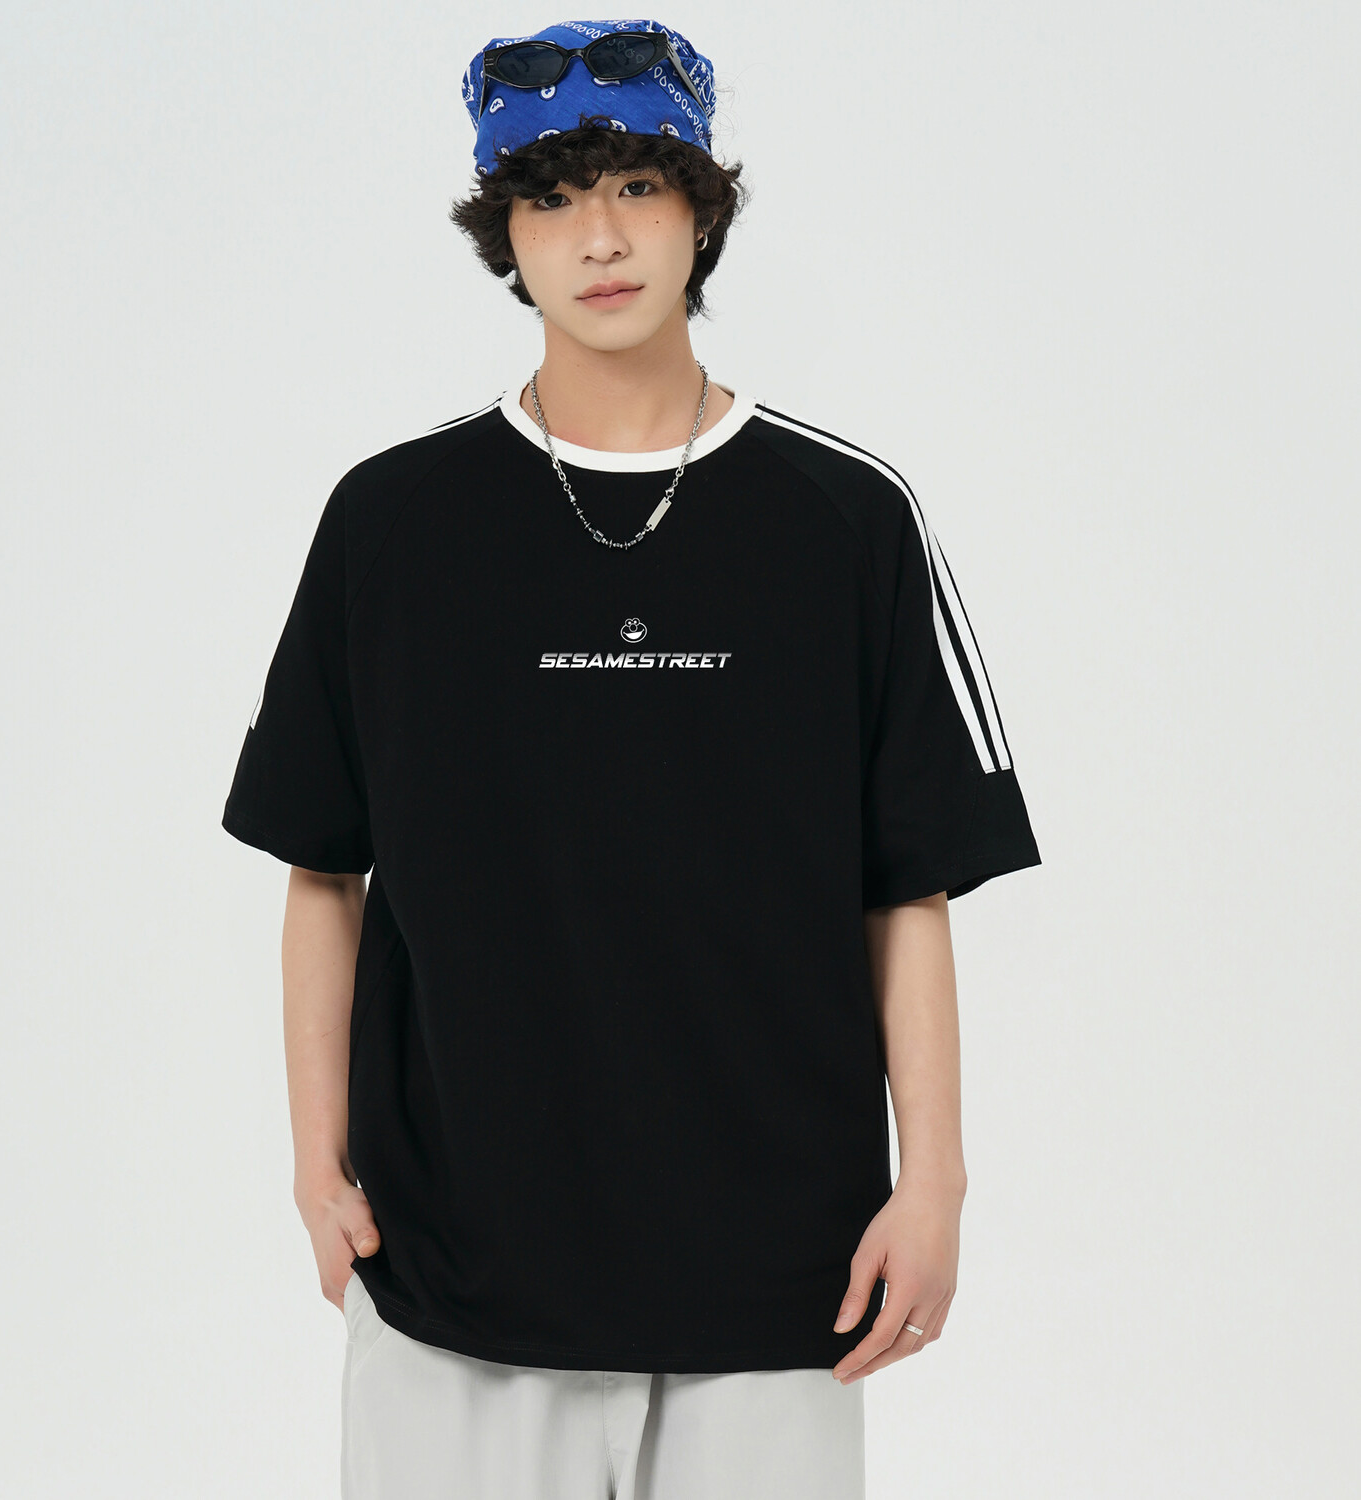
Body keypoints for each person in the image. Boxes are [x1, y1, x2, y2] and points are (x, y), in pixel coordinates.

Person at [220, 18, 1042, 1498]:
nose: (598, 238)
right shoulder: (393, 523)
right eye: (550, 199)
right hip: (454, 1270)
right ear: (506, 237)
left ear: (699, 211)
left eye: (637, 188)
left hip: (778, 1280)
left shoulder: (845, 519)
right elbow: (322, 868)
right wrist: (314, 1163)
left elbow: (907, 887)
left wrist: (937, 1183)